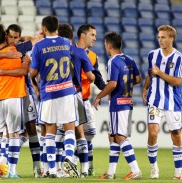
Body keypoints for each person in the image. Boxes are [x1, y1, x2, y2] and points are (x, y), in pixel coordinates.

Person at [30, 15, 79, 178]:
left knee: (49, 130)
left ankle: (51, 169)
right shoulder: (67, 43)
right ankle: (68, 157)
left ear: (43, 29)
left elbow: (33, 72)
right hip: (66, 91)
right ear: (57, 27)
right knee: (69, 127)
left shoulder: (39, 46)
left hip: (49, 93)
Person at [0, 23, 42, 178]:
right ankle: (5, 164)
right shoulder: (7, 51)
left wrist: (37, 38)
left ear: (19, 37)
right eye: (11, 36)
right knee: (11, 132)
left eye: (16, 37)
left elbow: (32, 41)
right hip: (14, 94)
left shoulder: (22, 48)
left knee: (31, 129)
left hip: (25, 93)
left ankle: (36, 166)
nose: (13, 40)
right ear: (6, 35)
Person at [142, 25, 182, 180]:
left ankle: (178, 174)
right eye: (159, 37)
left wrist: (159, 73)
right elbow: (150, 73)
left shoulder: (180, 57)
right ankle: (154, 168)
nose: (160, 40)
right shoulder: (152, 55)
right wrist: (145, 88)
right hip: (154, 101)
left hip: (172, 103)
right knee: (153, 133)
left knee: (176, 134)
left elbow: (176, 81)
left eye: (163, 37)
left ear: (171, 38)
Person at [94, 32, 142, 180]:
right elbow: (138, 79)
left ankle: (135, 170)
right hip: (127, 102)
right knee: (113, 136)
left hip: (118, 104)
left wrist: (98, 96)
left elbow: (112, 83)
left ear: (109, 46)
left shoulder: (113, 61)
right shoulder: (129, 59)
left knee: (120, 137)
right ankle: (110, 172)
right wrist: (124, 85)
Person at [57, 23, 95, 178]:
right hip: (75, 94)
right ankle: (84, 169)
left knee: (58, 132)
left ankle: (55, 168)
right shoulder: (79, 52)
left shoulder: (54, 51)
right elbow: (91, 76)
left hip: (56, 94)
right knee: (80, 132)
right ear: (72, 36)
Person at [75, 24, 106, 176]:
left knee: (89, 133)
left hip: (85, 99)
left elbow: (97, 77)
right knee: (64, 135)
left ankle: (77, 163)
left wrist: (107, 89)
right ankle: (72, 165)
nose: (95, 38)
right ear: (83, 35)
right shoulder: (70, 51)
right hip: (70, 99)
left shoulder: (93, 56)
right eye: (92, 35)